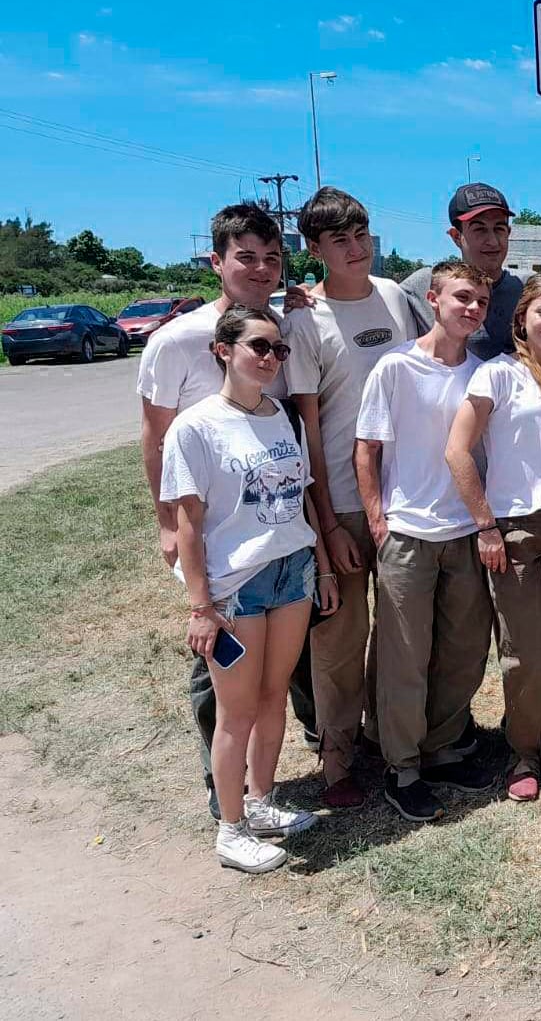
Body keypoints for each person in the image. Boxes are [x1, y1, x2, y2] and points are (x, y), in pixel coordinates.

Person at [137, 202, 316, 819]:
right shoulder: (175, 340)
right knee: (220, 682)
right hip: (217, 542)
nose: (260, 268)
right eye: (246, 257)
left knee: (272, 688)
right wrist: (166, 525)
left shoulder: (283, 332)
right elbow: (155, 435)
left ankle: (259, 794)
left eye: (272, 258)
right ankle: (228, 801)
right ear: (217, 261)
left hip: (278, 545)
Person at [161, 306, 338, 872]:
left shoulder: (282, 417)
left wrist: (324, 567)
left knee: (272, 695)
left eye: (278, 350)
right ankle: (231, 828)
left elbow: (304, 494)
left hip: (291, 570)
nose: (270, 359)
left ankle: (262, 802)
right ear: (223, 350)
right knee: (236, 712)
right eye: (259, 347)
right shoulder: (196, 426)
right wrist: (200, 606)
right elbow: (188, 523)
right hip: (236, 586)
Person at [284, 187, 418, 807]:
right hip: (339, 499)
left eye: (362, 235)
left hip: (404, 496)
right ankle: (336, 761)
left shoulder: (393, 297)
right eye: (340, 240)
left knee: (398, 633)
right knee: (339, 638)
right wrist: (325, 523)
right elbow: (307, 424)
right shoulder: (303, 320)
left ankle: (389, 742)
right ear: (314, 250)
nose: (356, 248)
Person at [445, 275, 541, 801]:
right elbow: (457, 450)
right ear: (521, 321)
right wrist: (485, 523)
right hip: (516, 529)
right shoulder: (496, 376)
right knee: (524, 651)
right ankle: (524, 754)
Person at [356, 262, 496, 822]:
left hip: (465, 533)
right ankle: (403, 766)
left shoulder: (484, 374)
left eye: (481, 301)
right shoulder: (395, 368)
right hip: (409, 533)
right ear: (433, 299)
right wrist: (376, 518)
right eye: (462, 297)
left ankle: (442, 748)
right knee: (404, 658)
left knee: (463, 652)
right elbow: (366, 448)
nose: (473, 309)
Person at [400, 183, 523, 362]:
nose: (493, 241)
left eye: (499, 229)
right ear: (456, 236)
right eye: (479, 229)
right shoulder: (421, 286)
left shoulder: (529, 290)